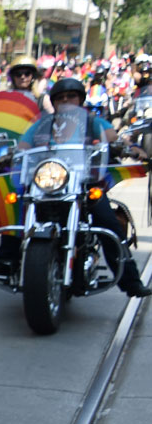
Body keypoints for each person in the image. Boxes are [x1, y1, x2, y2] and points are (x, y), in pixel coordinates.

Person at [19, 77, 150, 297]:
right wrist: (11, 154)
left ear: (80, 99)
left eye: (71, 96)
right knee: (15, 210)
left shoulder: (93, 122)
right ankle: (6, 261)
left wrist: (129, 148)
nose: (66, 100)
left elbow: (113, 137)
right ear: (54, 102)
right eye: (60, 97)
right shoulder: (42, 124)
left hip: (84, 184)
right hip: (48, 184)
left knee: (108, 224)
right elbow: (24, 145)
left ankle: (131, 282)